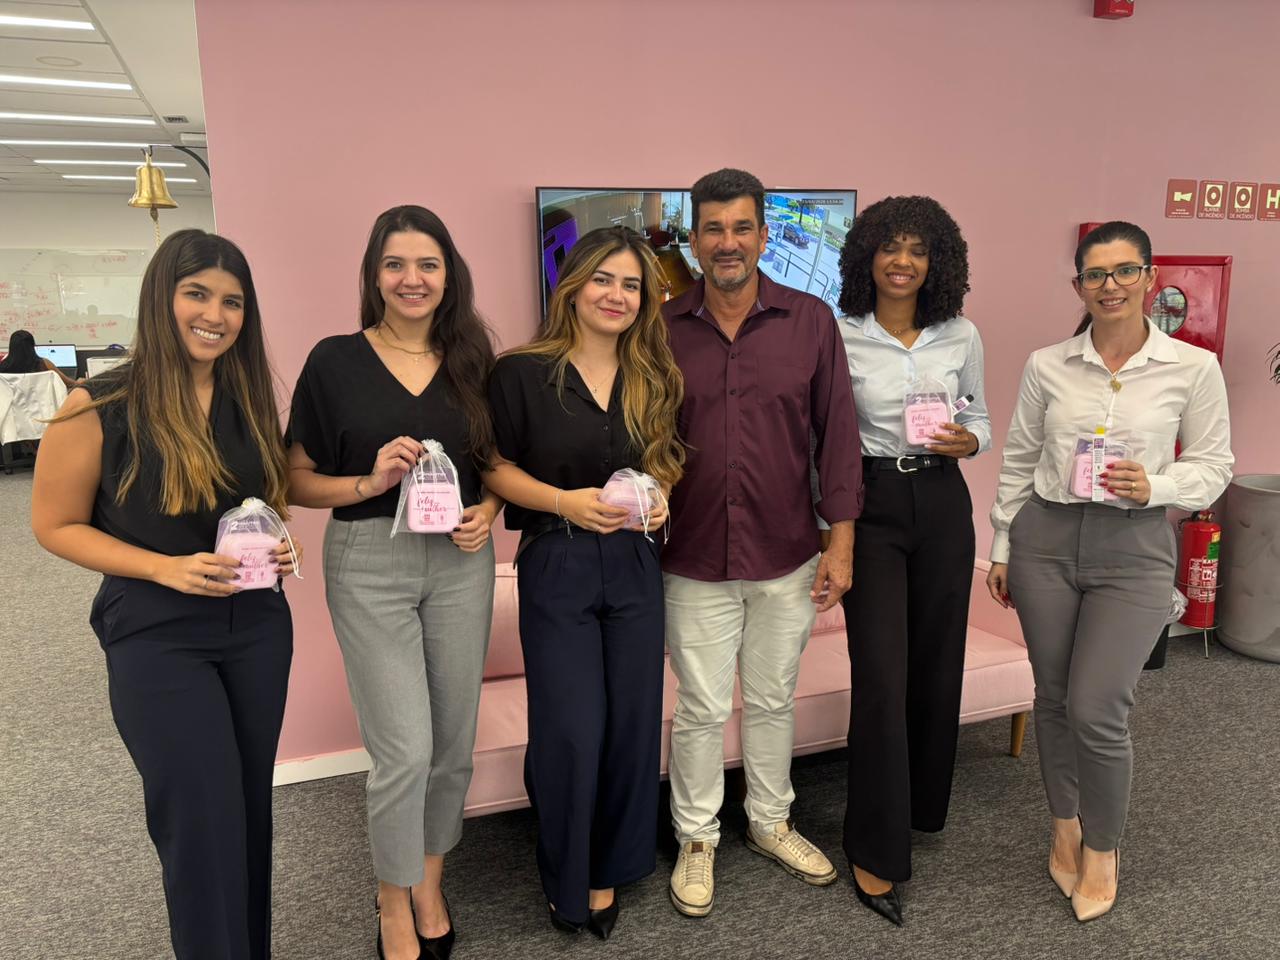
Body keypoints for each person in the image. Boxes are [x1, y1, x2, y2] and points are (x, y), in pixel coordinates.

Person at [30, 229, 300, 959]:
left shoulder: (247, 398)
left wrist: (282, 543)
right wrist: (162, 568)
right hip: (158, 631)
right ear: (161, 298)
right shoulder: (98, 403)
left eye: (232, 302)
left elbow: (268, 499)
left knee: (246, 811)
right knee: (200, 820)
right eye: (197, 294)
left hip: (258, 625)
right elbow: (54, 525)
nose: (216, 315)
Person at [987, 221, 1233, 922]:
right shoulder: (1047, 364)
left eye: (1125, 271)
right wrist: (1003, 545)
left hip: (1134, 547)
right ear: (1079, 286)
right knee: (1053, 697)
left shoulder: (1192, 367)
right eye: (1096, 274)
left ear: (1149, 278)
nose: (1111, 285)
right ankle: (1064, 826)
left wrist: (1156, 486)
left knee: (1098, 707)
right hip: (1045, 539)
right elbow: (1019, 458)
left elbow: (1214, 463)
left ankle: (1103, 848)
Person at [287, 205, 500, 960]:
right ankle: (391, 895)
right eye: (395, 264)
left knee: (454, 743)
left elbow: (497, 465)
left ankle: (429, 881)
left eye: (427, 264)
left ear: (449, 275)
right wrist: (368, 481)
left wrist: (490, 511)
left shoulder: (475, 359)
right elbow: (294, 480)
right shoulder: (334, 361)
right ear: (374, 276)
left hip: (461, 563)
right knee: (405, 749)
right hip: (369, 561)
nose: (413, 279)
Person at [661, 168, 862, 918]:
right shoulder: (660, 327)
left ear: (763, 235)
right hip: (692, 556)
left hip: (787, 552)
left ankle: (771, 822)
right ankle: (696, 835)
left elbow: (838, 438)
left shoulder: (811, 321)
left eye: (741, 227)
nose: (728, 242)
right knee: (701, 708)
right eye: (713, 228)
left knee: (775, 697)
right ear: (694, 239)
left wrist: (841, 545)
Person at [485, 225, 684, 939]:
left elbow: (665, 460)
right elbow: (493, 465)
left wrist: (660, 497)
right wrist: (563, 501)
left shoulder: (655, 374)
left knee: (632, 724)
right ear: (572, 286)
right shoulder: (519, 372)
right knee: (571, 729)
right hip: (557, 560)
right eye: (603, 278)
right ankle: (567, 878)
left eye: (631, 284)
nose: (616, 295)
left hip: (634, 562)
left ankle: (611, 869)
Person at [830, 195, 990, 926]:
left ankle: (921, 809)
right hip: (872, 504)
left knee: (935, 664)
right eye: (889, 246)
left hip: (943, 501)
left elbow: (979, 414)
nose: (902, 261)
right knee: (881, 676)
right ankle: (873, 848)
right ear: (866, 255)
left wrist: (970, 440)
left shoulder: (961, 333)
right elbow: (824, 435)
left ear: (938, 261)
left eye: (918, 249)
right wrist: (830, 528)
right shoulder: (838, 333)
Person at [0, 328, 82, 388]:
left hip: (11, 406)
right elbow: (68, 383)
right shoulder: (43, 364)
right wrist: (79, 382)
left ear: (11, 346)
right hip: (41, 405)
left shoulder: (3, 366)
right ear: (32, 346)